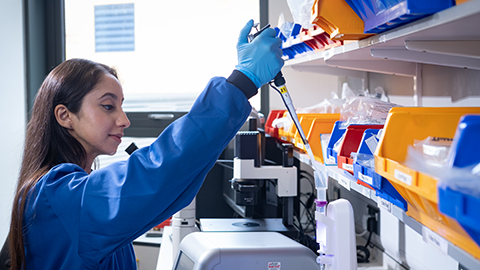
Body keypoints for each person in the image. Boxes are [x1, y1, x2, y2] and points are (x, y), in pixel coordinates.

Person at [7, 20, 283, 270]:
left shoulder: (63, 188)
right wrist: (242, 82)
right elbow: (158, 171)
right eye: (107, 106)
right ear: (65, 116)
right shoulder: (55, 195)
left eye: (122, 106)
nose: (124, 120)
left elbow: (169, 180)